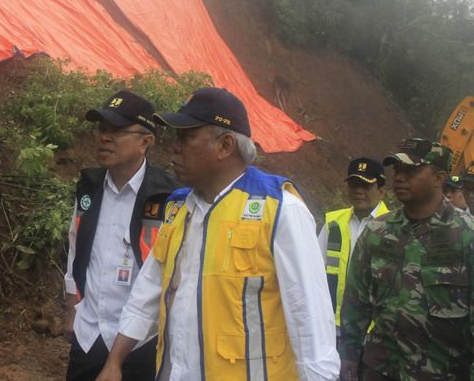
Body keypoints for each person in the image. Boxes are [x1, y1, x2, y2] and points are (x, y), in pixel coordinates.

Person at [97, 87, 340, 381]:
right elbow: (148, 292)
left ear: (225, 146)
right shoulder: (178, 208)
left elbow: (309, 322)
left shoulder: (280, 209)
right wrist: (115, 361)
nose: (174, 147)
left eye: (186, 137)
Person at [64, 89, 179, 381]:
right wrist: (72, 311)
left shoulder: (168, 197)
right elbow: (75, 250)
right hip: (88, 335)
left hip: (142, 344)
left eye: (116, 131)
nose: (105, 137)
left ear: (145, 142)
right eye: (102, 130)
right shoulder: (88, 187)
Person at [340, 139, 474, 381]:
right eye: (397, 170)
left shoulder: (466, 237)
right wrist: (349, 353)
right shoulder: (377, 231)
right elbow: (356, 300)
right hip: (379, 370)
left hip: (442, 373)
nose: (399, 177)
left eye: (411, 170)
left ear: (439, 178)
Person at [318, 158, 389, 336]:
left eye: (365, 186)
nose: (358, 191)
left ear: (381, 191)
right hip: (330, 326)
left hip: (374, 331)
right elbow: (314, 271)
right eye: (354, 185)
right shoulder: (333, 223)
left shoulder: (395, 227)